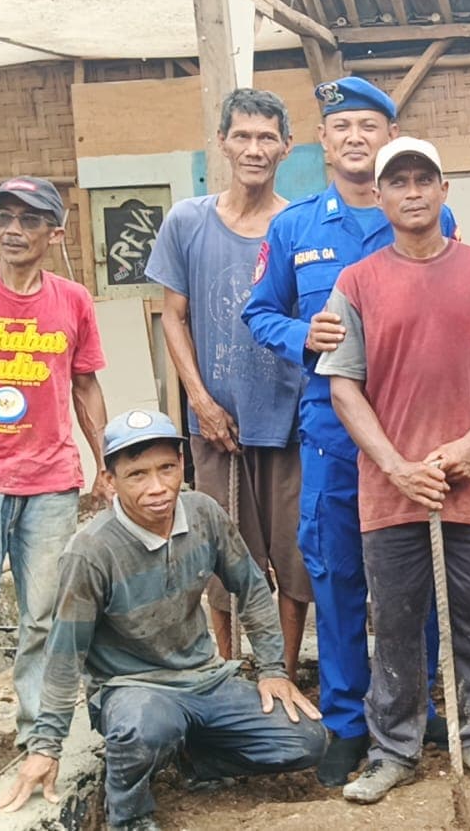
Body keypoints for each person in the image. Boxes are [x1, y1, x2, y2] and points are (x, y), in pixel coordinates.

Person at [243, 77, 457, 786]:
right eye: (343, 127)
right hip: (334, 438)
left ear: (390, 136)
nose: (357, 137)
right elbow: (258, 313)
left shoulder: (427, 217)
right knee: (336, 581)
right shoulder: (296, 227)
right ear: (324, 141)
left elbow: (459, 314)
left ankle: (414, 702)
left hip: (412, 434)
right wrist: (308, 332)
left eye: (370, 125)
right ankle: (344, 722)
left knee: (413, 580)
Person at [317, 137, 470, 804]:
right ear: (379, 196)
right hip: (392, 488)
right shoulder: (355, 282)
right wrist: (393, 464)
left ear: (443, 189)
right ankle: (393, 748)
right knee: (394, 620)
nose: (411, 191)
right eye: (398, 181)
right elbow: (342, 386)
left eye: (423, 179)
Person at [0, 409, 325, 831]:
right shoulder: (91, 552)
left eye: (167, 468)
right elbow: (64, 655)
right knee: (145, 728)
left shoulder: (203, 513)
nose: (157, 487)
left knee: (305, 741)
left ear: (182, 466)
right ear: (110, 482)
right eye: (136, 475)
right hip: (134, 689)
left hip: (206, 680)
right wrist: (46, 747)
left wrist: (273, 671)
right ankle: (129, 816)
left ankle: (190, 757)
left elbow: (253, 586)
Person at [144, 88, 311, 677]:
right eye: (242, 135)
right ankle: (224, 673)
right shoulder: (188, 221)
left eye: (267, 137)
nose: (254, 148)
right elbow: (174, 315)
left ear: (287, 147)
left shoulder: (296, 223)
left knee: (291, 559)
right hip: (214, 424)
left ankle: (282, 675)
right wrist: (200, 401)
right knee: (218, 559)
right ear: (221, 143)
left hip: (287, 420)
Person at [0, 177, 111, 745]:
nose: (13, 230)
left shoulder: (72, 299)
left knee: (43, 616)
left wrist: (105, 462)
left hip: (50, 481)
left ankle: (37, 738)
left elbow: (86, 386)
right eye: (3, 218)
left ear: (54, 232)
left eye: (28, 219)